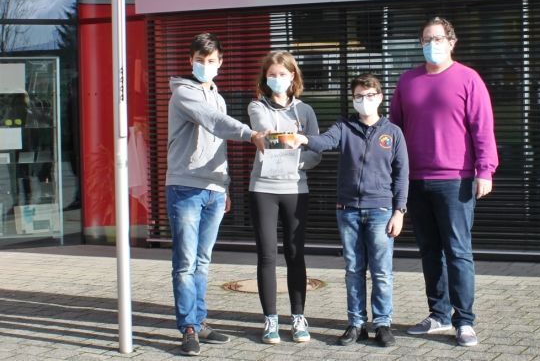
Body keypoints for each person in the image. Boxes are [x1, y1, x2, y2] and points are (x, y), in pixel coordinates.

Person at [389, 16, 498, 348]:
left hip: (456, 180)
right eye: (426, 39)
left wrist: (485, 169)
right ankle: (438, 314)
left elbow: (482, 128)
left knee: (458, 251)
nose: (431, 44)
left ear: (452, 42)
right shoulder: (408, 81)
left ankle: (464, 321)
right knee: (429, 251)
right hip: (416, 179)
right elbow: (394, 130)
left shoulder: (468, 78)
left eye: (437, 38)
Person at [166, 33, 266, 357]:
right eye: (200, 60)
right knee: (185, 263)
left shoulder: (218, 96)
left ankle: (200, 320)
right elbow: (214, 123)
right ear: (190, 60)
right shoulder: (183, 93)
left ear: (220, 62)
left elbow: (218, 146)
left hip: (213, 189)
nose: (205, 66)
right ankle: (188, 329)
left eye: (211, 61)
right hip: (186, 187)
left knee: (203, 263)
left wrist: (225, 188)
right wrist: (250, 134)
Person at [293, 73, 408, 348]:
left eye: (369, 95)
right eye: (358, 96)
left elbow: (402, 174)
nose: (364, 101)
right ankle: (356, 323)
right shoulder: (344, 127)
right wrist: (302, 138)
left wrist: (399, 211)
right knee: (353, 269)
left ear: (380, 97)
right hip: (348, 211)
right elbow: (323, 141)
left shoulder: (393, 133)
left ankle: (382, 324)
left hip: (381, 210)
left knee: (381, 271)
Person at [247, 51, 322, 344]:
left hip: (296, 188)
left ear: (293, 77)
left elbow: (315, 151)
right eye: (273, 75)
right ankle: (270, 320)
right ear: (266, 78)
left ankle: (298, 317)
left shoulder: (306, 111)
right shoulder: (257, 106)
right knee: (267, 255)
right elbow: (266, 134)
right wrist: (292, 140)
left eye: (283, 74)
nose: (278, 79)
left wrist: (296, 159)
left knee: (295, 254)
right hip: (263, 188)